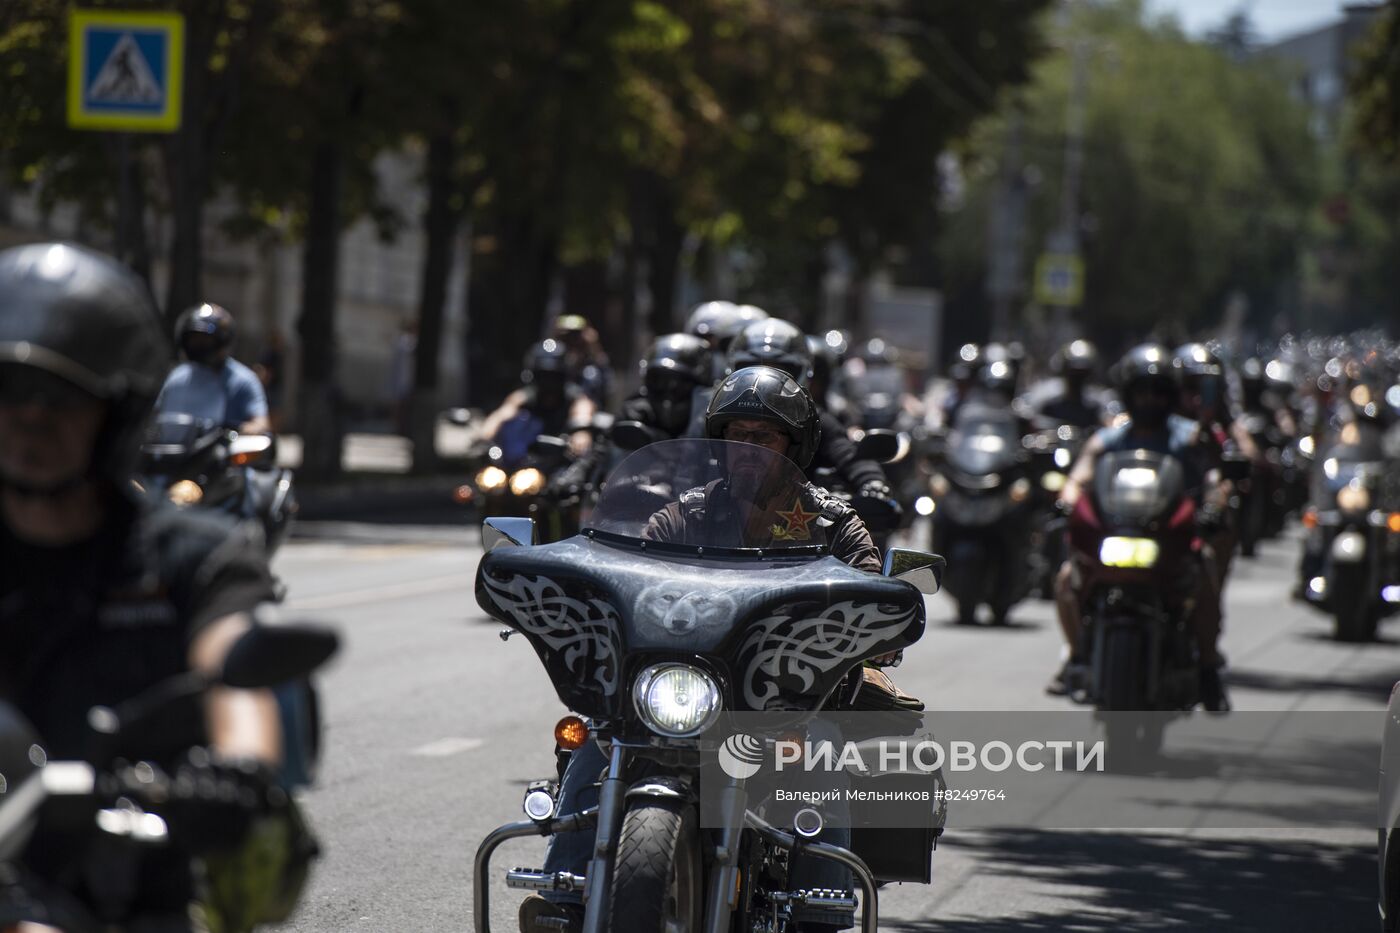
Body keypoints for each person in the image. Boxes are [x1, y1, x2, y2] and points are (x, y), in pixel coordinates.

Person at [0, 243, 305, 930]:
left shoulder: (190, 555)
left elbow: (235, 672)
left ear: (116, 407)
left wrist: (239, 772)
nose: (30, 419)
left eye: (59, 397)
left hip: (144, 880)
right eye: (9, 393)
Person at [519, 367, 884, 933]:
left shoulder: (832, 524)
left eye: (762, 438)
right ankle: (563, 893)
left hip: (780, 699)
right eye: (735, 436)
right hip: (684, 688)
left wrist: (876, 627)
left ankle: (821, 905)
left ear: (794, 444)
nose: (746, 450)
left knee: (822, 745)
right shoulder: (684, 513)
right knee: (599, 733)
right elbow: (626, 575)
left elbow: (870, 589)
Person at [1047, 344, 1230, 712]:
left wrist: (1214, 503)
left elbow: (1215, 479)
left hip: (1165, 539)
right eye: (1142, 391)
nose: (1150, 400)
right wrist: (1068, 495)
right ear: (1128, 394)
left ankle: (1208, 666)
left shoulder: (1189, 436)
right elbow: (1083, 469)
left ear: (1171, 395)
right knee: (1068, 578)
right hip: (1117, 533)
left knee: (1205, 564)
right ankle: (1076, 652)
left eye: (1158, 391)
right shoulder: (1112, 437)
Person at [727, 320, 899, 529]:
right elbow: (686, 452)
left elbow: (846, 453)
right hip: (720, 521)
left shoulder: (814, 419)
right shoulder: (715, 415)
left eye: (780, 372)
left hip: (796, 529)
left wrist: (872, 483)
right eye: (738, 432)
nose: (762, 380)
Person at [156, 303, 271, 436]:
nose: (199, 345)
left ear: (222, 341)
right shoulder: (176, 378)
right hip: (175, 453)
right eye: (194, 339)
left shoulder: (244, 381)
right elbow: (154, 418)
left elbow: (261, 424)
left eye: (206, 340)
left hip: (219, 453)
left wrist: (231, 432)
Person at [478, 340, 597, 465]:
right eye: (543, 376)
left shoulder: (575, 397)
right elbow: (501, 415)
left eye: (554, 377)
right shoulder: (523, 397)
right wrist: (483, 437)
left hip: (561, 462)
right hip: (525, 459)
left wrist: (581, 433)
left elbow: (582, 412)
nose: (549, 383)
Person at [1035, 339, 1108, 430]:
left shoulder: (1094, 408)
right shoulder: (1051, 406)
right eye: (1073, 373)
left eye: (1082, 374)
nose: (1077, 379)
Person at [552, 313, 612, 407]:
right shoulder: (554, 359)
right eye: (567, 335)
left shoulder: (591, 368)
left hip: (584, 408)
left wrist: (594, 346)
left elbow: (607, 385)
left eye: (576, 335)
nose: (571, 340)